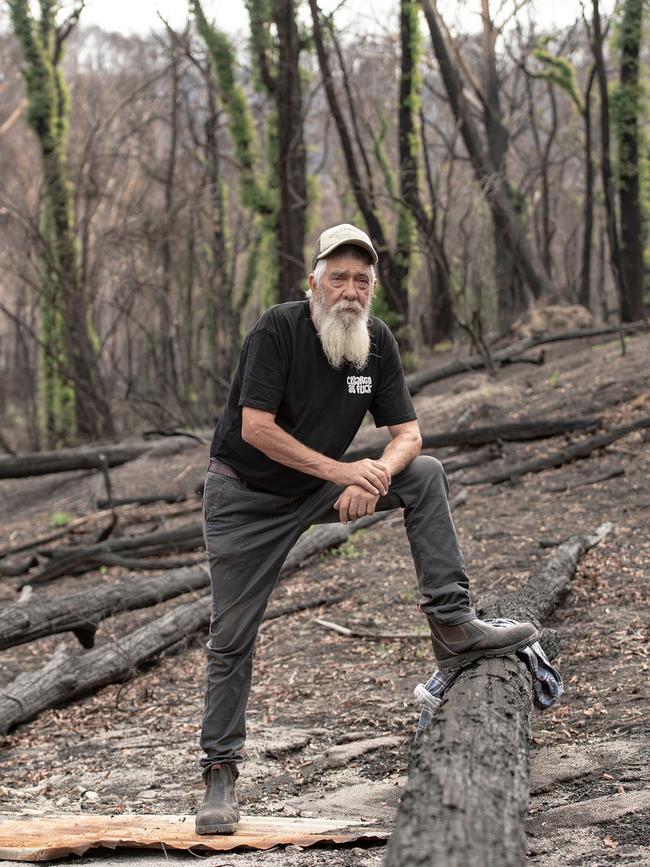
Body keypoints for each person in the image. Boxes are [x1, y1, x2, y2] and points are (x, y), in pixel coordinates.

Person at [195, 223, 538, 835]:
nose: (349, 290)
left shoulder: (375, 342)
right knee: (232, 636)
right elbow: (256, 428)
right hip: (244, 498)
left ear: (372, 287)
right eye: (338, 277)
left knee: (423, 474)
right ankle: (220, 772)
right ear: (314, 282)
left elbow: (408, 435)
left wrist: (373, 475)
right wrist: (342, 470)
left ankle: (453, 624)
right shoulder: (278, 328)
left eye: (361, 279)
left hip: (319, 483)